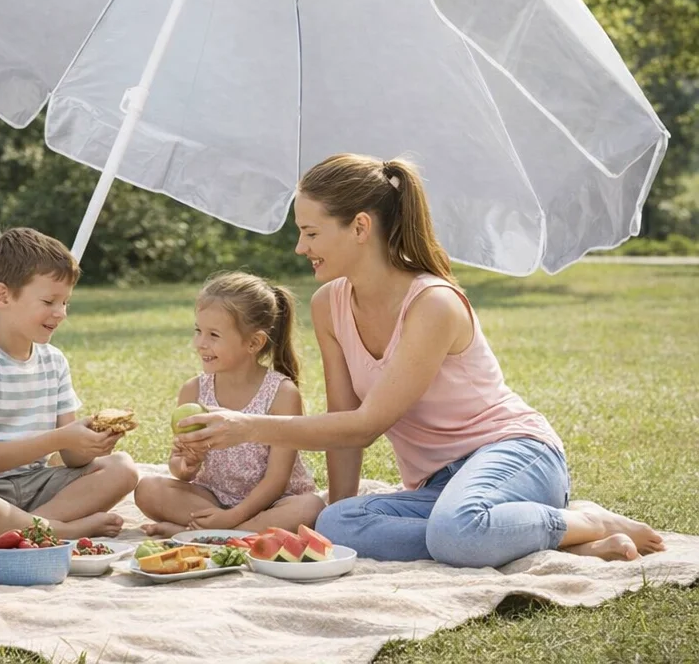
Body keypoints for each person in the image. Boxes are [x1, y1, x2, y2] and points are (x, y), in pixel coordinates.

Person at [178, 154, 665, 567]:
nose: (300, 246)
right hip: (437, 485)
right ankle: (535, 540)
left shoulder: (433, 304)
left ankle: (586, 521)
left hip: (513, 455)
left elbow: (365, 426)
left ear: (360, 227)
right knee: (339, 522)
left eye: (311, 232)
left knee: (456, 531)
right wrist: (340, 521)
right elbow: (343, 425)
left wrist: (247, 426)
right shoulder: (330, 304)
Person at [0, 227, 139, 543]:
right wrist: (60, 437)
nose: (60, 313)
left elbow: (71, 457)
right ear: (3, 296)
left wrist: (89, 443)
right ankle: (61, 529)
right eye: (49, 301)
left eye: (66, 302)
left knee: (123, 469)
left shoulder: (54, 361)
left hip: (32, 484)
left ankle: (12, 530)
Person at [135, 271, 324, 538]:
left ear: (254, 342)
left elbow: (276, 480)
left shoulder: (282, 394)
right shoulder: (193, 391)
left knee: (311, 508)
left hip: (273, 502)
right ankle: (233, 534)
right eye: (199, 331)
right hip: (213, 499)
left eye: (214, 334)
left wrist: (230, 518)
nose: (201, 343)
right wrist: (186, 466)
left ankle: (208, 534)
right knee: (148, 490)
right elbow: (179, 467)